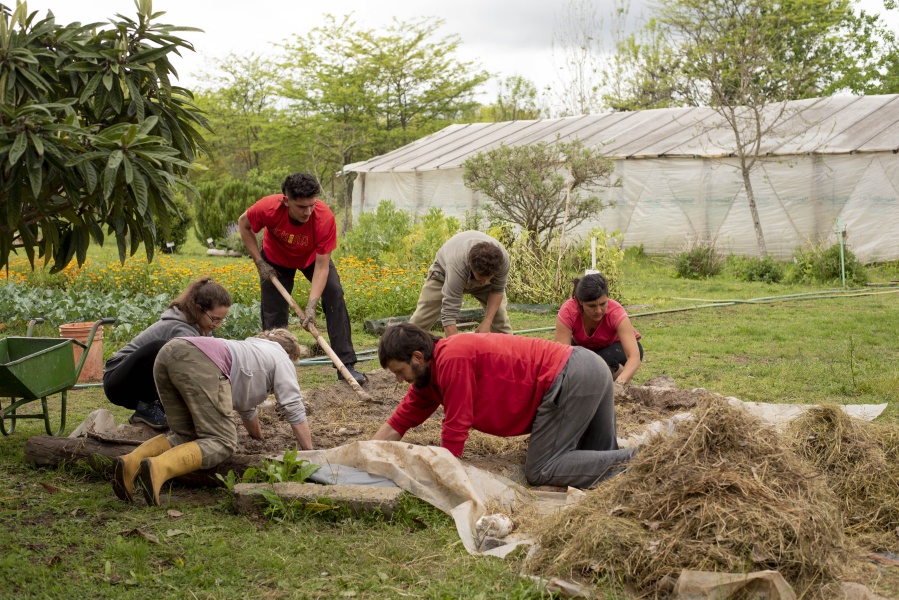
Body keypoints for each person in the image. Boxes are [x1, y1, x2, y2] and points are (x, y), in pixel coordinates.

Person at [371, 323, 635, 489]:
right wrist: (364, 457)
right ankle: (647, 461)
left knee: (542, 468)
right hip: (588, 368)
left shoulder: (452, 356)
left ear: (417, 357)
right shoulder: (426, 380)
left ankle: (644, 459)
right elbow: (399, 422)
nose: (400, 380)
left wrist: (443, 482)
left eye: (400, 371)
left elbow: (456, 425)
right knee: (601, 462)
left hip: (573, 375)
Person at [112, 328, 314, 506]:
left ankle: (131, 462)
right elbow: (293, 406)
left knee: (186, 434)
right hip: (197, 361)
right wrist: (310, 451)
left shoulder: (250, 350)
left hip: (167, 353)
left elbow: (247, 407)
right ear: (290, 354)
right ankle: (159, 468)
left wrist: (258, 439)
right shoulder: (281, 358)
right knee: (223, 441)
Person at [237, 173, 365, 384]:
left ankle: (346, 365)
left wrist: (311, 306)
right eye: (302, 207)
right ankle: (274, 372)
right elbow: (244, 224)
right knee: (274, 312)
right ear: (286, 201)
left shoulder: (324, 218)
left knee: (334, 293)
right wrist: (259, 262)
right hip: (275, 259)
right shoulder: (268, 208)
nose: (308, 212)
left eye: (312, 205)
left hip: (311, 260)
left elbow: (322, 266)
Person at [103, 277, 232, 429]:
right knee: (161, 348)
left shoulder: (202, 328)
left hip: (144, 383)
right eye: (214, 319)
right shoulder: (179, 328)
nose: (216, 325)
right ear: (198, 308)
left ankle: (150, 408)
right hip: (118, 382)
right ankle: (146, 407)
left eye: (220, 321)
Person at [409, 230, 512, 337]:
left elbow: (497, 290)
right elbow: (449, 314)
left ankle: (509, 352)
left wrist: (487, 322)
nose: (484, 282)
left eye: (488, 278)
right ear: (471, 268)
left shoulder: (502, 261)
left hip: (471, 270)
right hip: (443, 275)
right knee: (420, 321)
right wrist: (457, 349)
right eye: (481, 278)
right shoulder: (457, 265)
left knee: (500, 318)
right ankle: (403, 350)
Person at [554, 273, 643, 385]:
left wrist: (619, 385)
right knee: (575, 362)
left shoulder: (616, 313)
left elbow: (634, 357)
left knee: (601, 362)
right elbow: (561, 356)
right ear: (580, 302)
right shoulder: (568, 311)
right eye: (592, 306)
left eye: (603, 304)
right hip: (587, 350)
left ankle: (619, 379)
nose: (599, 310)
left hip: (615, 349)